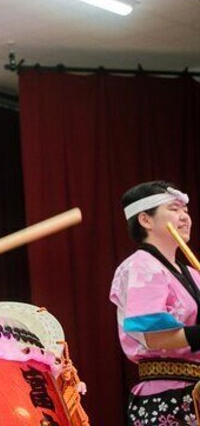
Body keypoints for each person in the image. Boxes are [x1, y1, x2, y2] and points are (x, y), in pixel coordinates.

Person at [109, 181, 197, 425]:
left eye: (186, 211)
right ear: (146, 220)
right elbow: (152, 335)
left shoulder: (194, 274)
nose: (184, 217)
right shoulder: (140, 267)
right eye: (174, 209)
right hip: (165, 396)